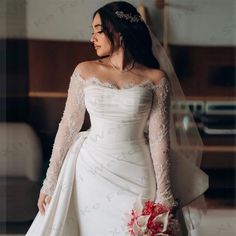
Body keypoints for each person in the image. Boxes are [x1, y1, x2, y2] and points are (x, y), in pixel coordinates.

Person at [26, 1, 208, 235]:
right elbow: (67, 128)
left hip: (137, 170)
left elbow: (159, 140)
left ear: (118, 32)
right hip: (90, 169)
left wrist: (164, 193)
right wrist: (50, 182)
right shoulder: (84, 70)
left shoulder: (156, 79)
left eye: (98, 31)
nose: (92, 38)